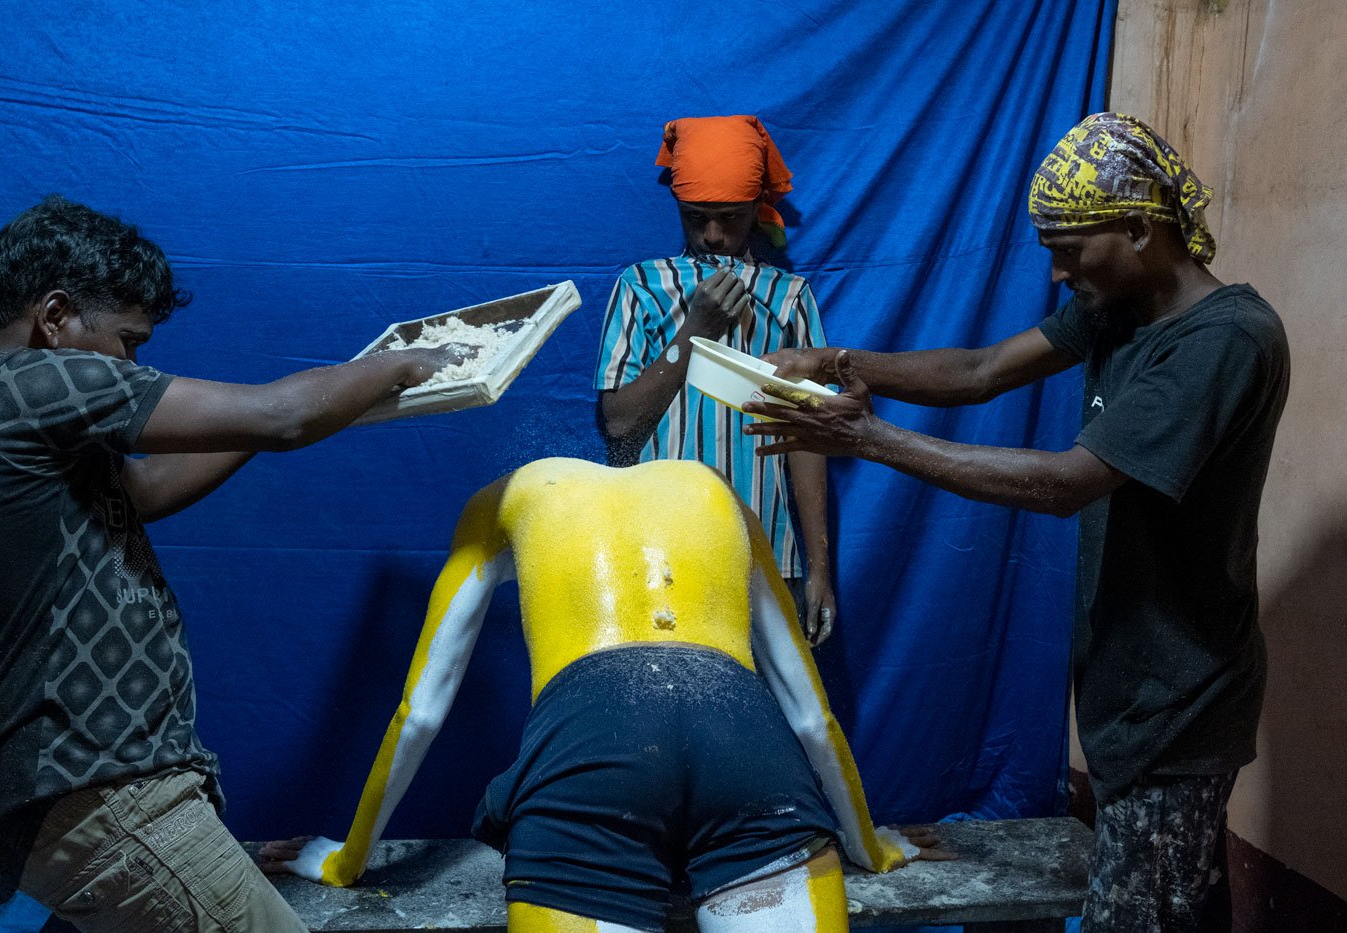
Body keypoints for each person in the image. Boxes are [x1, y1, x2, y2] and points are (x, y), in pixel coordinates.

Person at [742, 112, 1290, 932]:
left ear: (1141, 229)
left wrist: (865, 436)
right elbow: (982, 369)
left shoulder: (1224, 342)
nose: (1057, 273)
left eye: (1068, 248)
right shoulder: (1123, 308)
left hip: (1180, 703)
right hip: (1128, 691)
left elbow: (1071, 483)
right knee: (1178, 906)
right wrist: (841, 362)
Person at [0, 195, 473, 932]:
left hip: (64, 806)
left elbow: (146, 490)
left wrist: (314, 405)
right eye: (128, 341)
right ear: (55, 316)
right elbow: (281, 415)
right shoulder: (29, 380)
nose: (134, 364)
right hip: (110, 797)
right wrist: (403, 363)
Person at [261, 457, 946, 932]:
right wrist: (870, 845)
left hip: (593, 743)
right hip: (745, 737)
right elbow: (811, 715)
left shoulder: (505, 498)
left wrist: (348, 857)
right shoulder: (716, 491)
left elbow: (419, 714)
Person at [594, 114, 838, 644]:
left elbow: (812, 437)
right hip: (658, 553)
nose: (712, 234)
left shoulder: (788, 297)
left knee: (768, 713)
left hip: (769, 556)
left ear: (755, 208)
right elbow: (618, 424)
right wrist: (696, 328)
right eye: (696, 217)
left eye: (728, 218)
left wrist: (819, 568)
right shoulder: (641, 286)